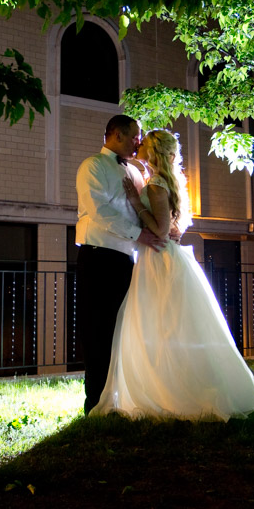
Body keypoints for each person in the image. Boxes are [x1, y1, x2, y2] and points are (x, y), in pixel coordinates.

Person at [89, 129, 254, 421]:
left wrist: (135, 202)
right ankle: (162, 386)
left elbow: (160, 231)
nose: (139, 145)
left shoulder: (157, 184)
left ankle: (173, 391)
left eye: (143, 143)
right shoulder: (158, 181)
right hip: (158, 257)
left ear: (154, 151)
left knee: (163, 324)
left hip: (158, 259)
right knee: (164, 325)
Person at [74, 115, 163, 414]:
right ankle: (96, 403)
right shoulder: (92, 166)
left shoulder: (136, 172)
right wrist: (140, 234)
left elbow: (141, 210)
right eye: (135, 136)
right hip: (98, 256)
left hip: (127, 259)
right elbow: (98, 211)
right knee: (96, 330)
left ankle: (121, 399)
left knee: (124, 331)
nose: (139, 141)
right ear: (117, 135)